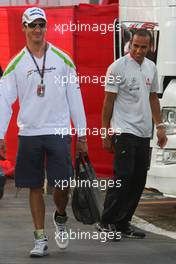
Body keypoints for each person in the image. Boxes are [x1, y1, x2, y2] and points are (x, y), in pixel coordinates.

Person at [0, 7, 88, 257]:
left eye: (41, 25)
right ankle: (40, 238)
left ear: (46, 27)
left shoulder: (63, 59)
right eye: (32, 25)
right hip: (29, 133)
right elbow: (3, 101)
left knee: (61, 185)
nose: (37, 29)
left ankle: (60, 216)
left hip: (59, 131)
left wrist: (81, 136)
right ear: (24, 28)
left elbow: (75, 98)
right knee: (34, 186)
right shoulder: (15, 64)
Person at [97, 29, 167, 239]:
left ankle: (123, 223)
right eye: (135, 45)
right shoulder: (117, 67)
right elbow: (108, 102)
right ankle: (106, 222)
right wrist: (105, 132)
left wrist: (160, 126)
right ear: (130, 44)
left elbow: (153, 97)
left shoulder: (151, 67)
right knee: (123, 176)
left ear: (150, 47)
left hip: (144, 133)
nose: (138, 50)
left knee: (138, 180)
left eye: (143, 47)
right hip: (123, 130)